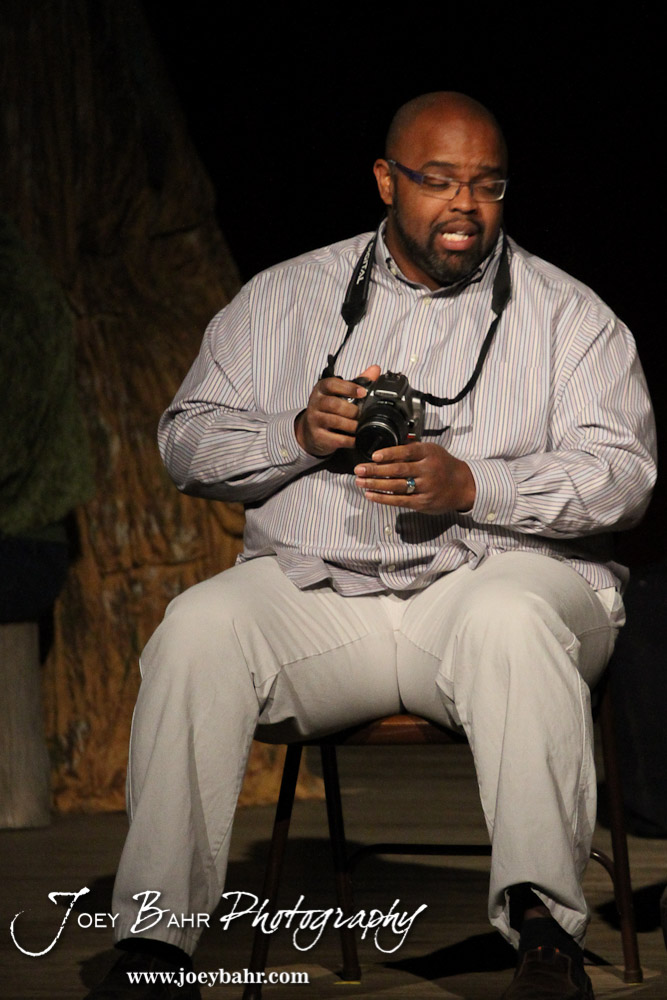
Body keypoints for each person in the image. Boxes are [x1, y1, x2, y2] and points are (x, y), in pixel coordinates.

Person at [85, 92, 656, 1000]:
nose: (465, 204)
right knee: (197, 628)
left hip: (489, 588)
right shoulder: (281, 297)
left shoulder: (568, 315)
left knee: (511, 619)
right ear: (387, 180)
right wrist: (295, 435)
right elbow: (184, 445)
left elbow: (623, 477)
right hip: (321, 595)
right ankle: (156, 947)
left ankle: (543, 933)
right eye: (439, 180)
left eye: (487, 185)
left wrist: (474, 486)